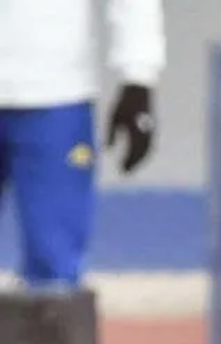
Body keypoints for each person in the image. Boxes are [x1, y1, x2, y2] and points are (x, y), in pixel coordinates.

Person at [0, 0, 164, 287]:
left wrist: (138, 77)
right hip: (56, 89)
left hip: (55, 94)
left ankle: (50, 314)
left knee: (54, 270)